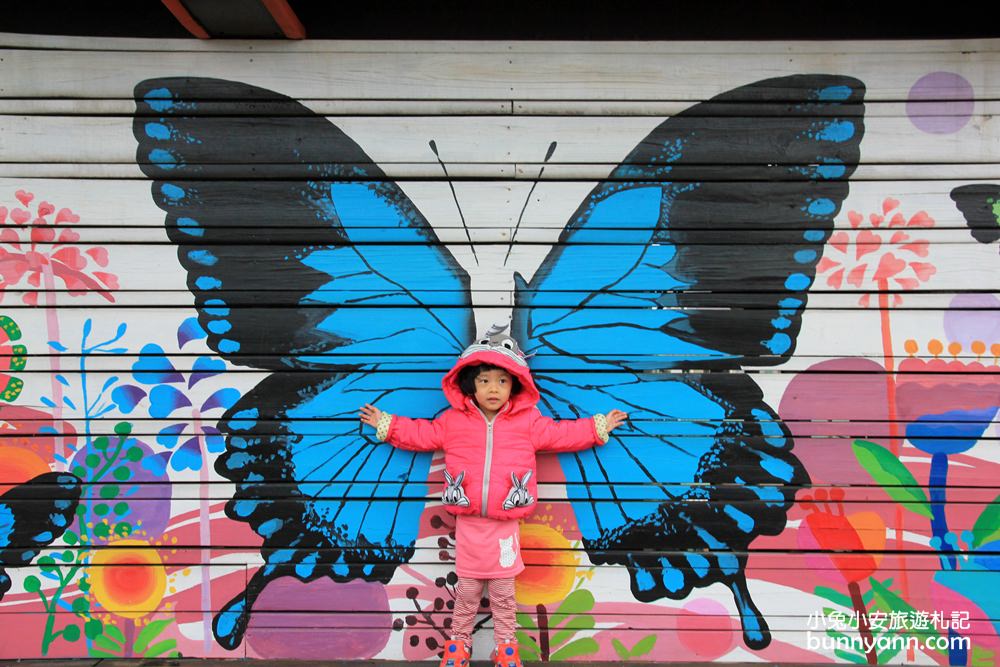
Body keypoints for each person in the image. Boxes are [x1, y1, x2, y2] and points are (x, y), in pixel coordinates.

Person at [360, 324, 627, 667]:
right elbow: (421, 434)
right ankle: (458, 646)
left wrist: (597, 426)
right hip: (470, 525)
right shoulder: (453, 421)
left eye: (502, 381)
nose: (493, 388)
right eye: (485, 380)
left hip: (505, 527)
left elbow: (563, 435)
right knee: (468, 593)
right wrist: (388, 424)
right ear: (471, 383)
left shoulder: (529, 422)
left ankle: (506, 649)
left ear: (515, 384)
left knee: (503, 594)